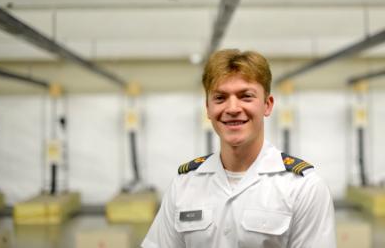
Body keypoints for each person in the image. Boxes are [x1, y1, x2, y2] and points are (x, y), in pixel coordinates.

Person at [141, 49, 336, 248]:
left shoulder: (303, 188)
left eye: (246, 96)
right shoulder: (184, 185)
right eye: (220, 98)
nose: (233, 108)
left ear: (267, 105)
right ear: (208, 108)